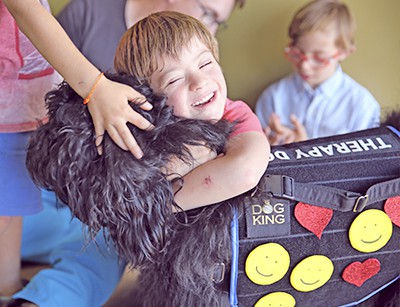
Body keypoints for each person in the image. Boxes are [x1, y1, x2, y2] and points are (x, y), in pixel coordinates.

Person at [114, 11, 270, 210]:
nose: (200, 82)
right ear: (146, 98)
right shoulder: (141, 128)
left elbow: (246, 171)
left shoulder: (235, 114)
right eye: (174, 79)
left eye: (205, 63)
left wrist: (157, 208)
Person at [0, 0, 61, 300]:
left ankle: (7, 287)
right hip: (8, 96)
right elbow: (25, 10)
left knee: (11, 211)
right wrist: (93, 86)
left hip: (18, 102)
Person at [255, 0, 380, 145]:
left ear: (344, 52)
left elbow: (365, 164)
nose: (305, 66)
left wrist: (303, 149)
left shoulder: (362, 106)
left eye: (319, 58)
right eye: (298, 53)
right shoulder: (272, 98)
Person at [57, 0, 245, 73]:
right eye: (208, 14)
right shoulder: (87, 12)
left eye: (217, 23)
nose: (208, 31)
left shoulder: (196, 62)